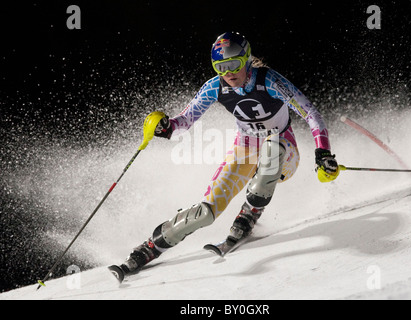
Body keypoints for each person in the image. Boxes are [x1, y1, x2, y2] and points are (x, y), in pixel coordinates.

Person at [113, 31, 339, 278]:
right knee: (206, 213)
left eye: (234, 65)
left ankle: (248, 215)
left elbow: (311, 114)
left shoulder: (270, 81)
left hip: (284, 150)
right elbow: (185, 121)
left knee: (272, 148)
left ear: (247, 59)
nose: (228, 73)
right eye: (220, 67)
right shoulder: (214, 87)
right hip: (244, 149)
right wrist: (166, 127)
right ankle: (148, 249)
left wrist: (323, 152)